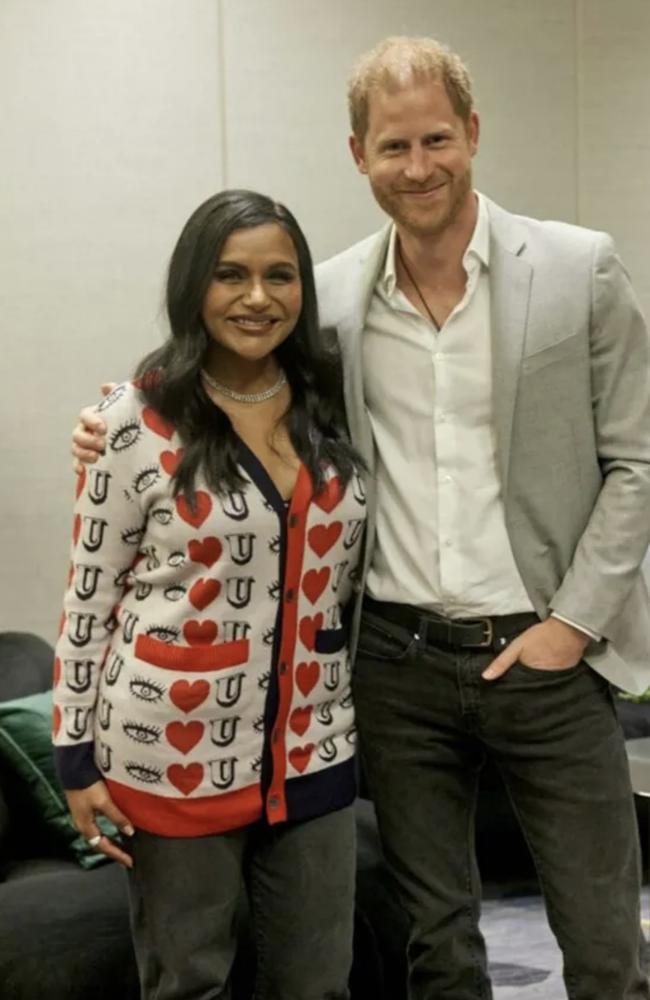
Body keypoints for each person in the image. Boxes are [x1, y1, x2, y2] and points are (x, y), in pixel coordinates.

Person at [71, 35, 650, 1000]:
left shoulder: (580, 268)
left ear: (471, 133)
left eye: (435, 139)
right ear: (358, 155)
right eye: (392, 147)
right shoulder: (325, 294)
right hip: (394, 666)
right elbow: (222, 358)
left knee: (602, 945)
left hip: (548, 657)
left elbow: (636, 460)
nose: (417, 167)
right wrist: (114, 418)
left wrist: (573, 624)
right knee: (438, 940)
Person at [56, 188, 367, 1000]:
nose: (258, 298)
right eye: (231, 274)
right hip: (168, 755)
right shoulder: (136, 420)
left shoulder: (334, 404)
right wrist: (74, 757)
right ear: (194, 285)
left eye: (280, 276)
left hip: (314, 746)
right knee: (189, 982)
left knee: (319, 983)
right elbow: (89, 600)